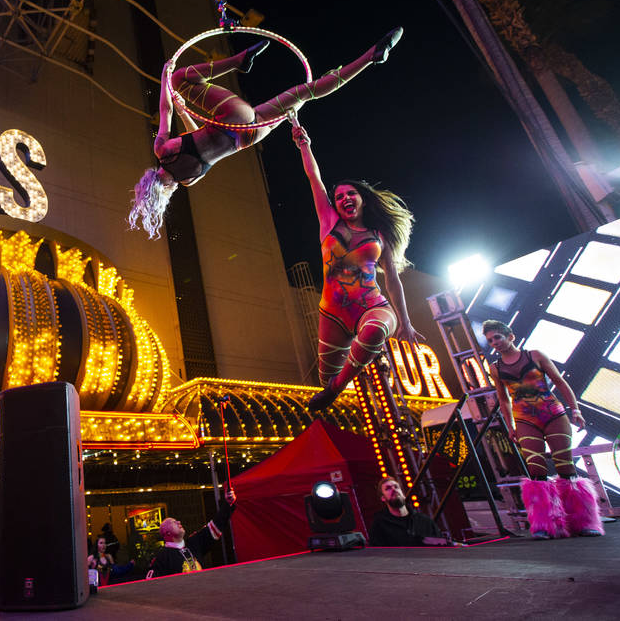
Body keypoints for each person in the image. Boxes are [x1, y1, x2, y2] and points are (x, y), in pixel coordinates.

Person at [128, 27, 404, 239]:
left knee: (304, 93)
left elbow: (200, 140)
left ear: (162, 191)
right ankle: (239, 60)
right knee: (180, 80)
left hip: (249, 135)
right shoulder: (163, 151)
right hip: (232, 119)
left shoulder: (189, 180)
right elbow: (165, 112)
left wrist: (185, 111)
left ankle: (371, 57)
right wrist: (165, 77)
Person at [290, 119, 423, 411]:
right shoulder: (328, 222)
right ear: (334, 205)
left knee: (374, 332)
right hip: (333, 313)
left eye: (351, 193)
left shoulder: (380, 235)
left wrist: (406, 321)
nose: (345, 198)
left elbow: (393, 280)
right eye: (339, 197)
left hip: (372, 306)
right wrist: (304, 145)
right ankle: (335, 386)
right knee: (326, 378)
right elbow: (314, 177)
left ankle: (336, 389)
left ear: (362, 199)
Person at [482, 320, 603, 539]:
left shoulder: (535, 355)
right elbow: (503, 399)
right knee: (536, 471)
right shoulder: (495, 368)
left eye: (497, 337)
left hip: (553, 414)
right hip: (525, 420)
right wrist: (510, 426)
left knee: (565, 466)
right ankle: (544, 525)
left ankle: (584, 522)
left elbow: (560, 382)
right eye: (490, 340)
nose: (494, 343)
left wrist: (576, 410)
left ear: (510, 336)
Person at [146, 488, 236, 578]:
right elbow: (152, 585)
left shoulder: (194, 543)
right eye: (174, 522)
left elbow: (215, 525)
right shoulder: (162, 558)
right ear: (167, 533)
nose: (179, 522)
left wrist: (228, 504)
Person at [369, 477, 451, 546]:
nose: (394, 489)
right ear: (383, 498)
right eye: (388, 488)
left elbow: (442, 545)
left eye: (396, 487)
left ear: (403, 493)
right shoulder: (379, 524)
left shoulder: (425, 521)